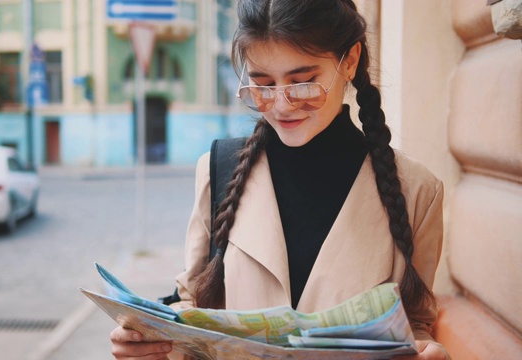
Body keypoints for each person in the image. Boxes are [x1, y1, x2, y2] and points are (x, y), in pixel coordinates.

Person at [110, 0, 450, 359]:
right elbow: (191, 306)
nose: (283, 105)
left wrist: (429, 350)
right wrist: (149, 346)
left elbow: (415, 322)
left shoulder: (417, 191)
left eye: (303, 83)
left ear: (349, 61)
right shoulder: (217, 168)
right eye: (262, 86)